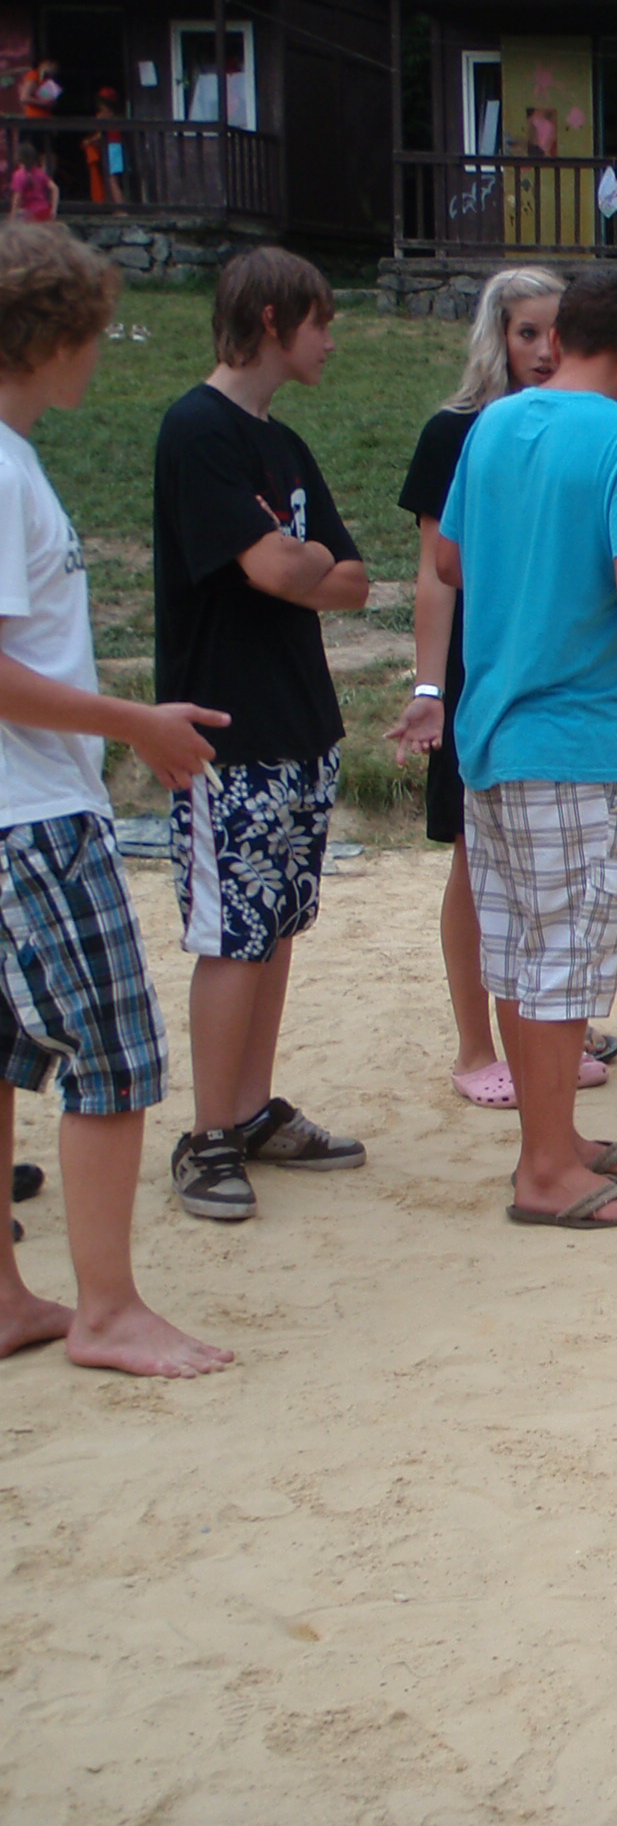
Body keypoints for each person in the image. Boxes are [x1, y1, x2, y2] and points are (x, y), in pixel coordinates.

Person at [437, 269, 617, 1227]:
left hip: (490, 727)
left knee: (522, 950)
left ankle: (552, 1141)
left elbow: (449, 558)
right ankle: (546, 1174)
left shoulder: (493, 424)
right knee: (563, 958)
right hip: (571, 733)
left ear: (557, 339)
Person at [0, 223, 232, 1376]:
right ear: (50, 337)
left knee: (8, 1053)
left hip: (21, 805)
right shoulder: (1, 469)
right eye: (92, 332)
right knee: (112, 1055)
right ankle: (107, 1311)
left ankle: (8, 1298)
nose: (100, 352)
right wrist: (133, 721)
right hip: (30, 817)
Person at [152, 247, 369, 1221]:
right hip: (223, 731)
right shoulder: (198, 430)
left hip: (299, 722)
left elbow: (350, 579)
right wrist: (296, 561)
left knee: (276, 925)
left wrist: (296, 558)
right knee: (232, 936)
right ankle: (206, 1135)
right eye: (322, 323)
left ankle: (250, 1110)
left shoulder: (283, 445)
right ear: (275, 320)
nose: (331, 343)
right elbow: (279, 572)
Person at [388, 267, 615, 1109]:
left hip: (558, 662)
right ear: (498, 338)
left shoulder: (586, 426)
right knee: (475, 852)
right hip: (479, 663)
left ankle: (543, 1033)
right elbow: (436, 572)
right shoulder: (459, 432)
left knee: (554, 861)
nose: (543, 350)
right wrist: (430, 686)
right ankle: (476, 1044)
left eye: (555, 333)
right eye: (526, 333)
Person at [8, 148, 57, 225]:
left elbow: (17, 198)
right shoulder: (40, 173)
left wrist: (12, 217)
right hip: (45, 211)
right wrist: (53, 210)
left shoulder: (18, 175)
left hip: (30, 214)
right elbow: (55, 188)